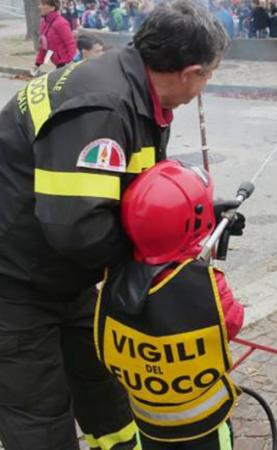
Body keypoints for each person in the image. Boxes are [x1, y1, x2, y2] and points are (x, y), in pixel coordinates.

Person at [0, 1, 229, 448]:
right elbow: (77, 228)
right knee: (38, 412)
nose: (204, 87)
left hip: (64, 273)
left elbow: (123, 190)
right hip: (14, 281)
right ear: (191, 72)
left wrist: (192, 214)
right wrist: (155, 259)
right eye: (209, 75)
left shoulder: (133, 87)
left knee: (103, 384)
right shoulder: (103, 106)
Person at [95, 160, 244, 449]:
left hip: (149, 425)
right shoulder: (206, 285)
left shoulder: (113, 278)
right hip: (205, 427)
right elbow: (232, 321)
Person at [34, 0, 77, 74]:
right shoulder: (44, 22)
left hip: (65, 64)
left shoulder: (61, 23)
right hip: (58, 63)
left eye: (43, 4)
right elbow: (44, 45)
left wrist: (69, 62)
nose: (40, 7)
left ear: (52, 7)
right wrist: (38, 63)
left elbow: (70, 44)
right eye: (40, 4)